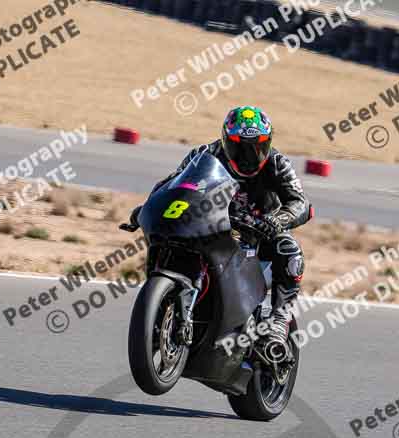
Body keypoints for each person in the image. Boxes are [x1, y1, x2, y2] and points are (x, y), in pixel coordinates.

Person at [131, 105, 312, 346]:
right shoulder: (206, 153)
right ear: (226, 141)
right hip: (213, 223)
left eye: (257, 148)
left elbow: (301, 203)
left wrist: (276, 220)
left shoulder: (277, 163)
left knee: (289, 250)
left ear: (268, 144)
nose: (249, 157)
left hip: (260, 232)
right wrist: (149, 206)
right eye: (240, 148)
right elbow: (174, 183)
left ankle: (279, 319)